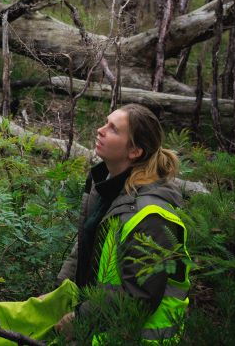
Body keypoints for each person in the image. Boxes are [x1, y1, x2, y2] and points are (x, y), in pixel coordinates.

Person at [55, 103, 191, 343]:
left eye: (113, 129)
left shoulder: (150, 215)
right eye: (105, 123)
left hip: (135, 336)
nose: (100, 130)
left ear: (135, 151)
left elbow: (139, 297)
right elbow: (86, 247)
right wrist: (60, 293)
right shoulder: (105, 184)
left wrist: (80, 317)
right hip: (97, 321)